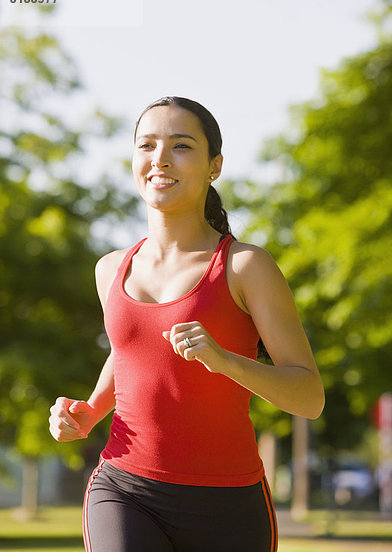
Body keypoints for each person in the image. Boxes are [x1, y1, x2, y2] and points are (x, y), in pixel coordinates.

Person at [49, 96, 325, 552]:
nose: (160, 159)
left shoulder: (245, 266)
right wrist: (92, 409)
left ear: (215, 165)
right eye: (147, 145)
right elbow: (127, 351)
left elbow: (309, 398)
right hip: (125, 488)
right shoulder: (110, 269)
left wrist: (224, 361)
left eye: (181, 146)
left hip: (229, 504)